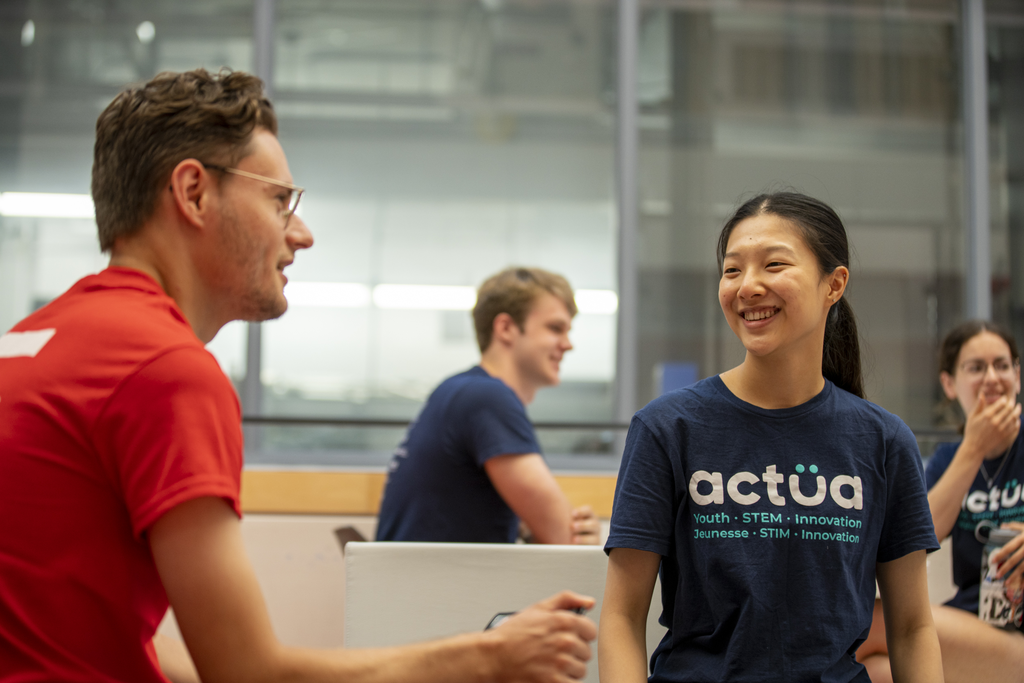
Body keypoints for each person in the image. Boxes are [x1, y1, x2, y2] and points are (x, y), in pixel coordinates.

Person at [0, 68, 596, 683]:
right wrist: (490, 656)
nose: (302, 234)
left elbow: (128, 638)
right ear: (194, 193)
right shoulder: (165, 371)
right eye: (279, 200)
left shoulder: (30, 341)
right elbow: (246, 671)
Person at [598, 192, 942, 682]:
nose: (748, 287)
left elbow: (911, 628)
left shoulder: (883, 441)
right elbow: (620, 619)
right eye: (733, 270)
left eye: (774, 264)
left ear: (834, 284)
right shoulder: (667, 428)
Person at [376, 267, 600, 545]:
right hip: (438, 586)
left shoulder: (458, 390)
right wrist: (582, 535)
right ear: (505, 328)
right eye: (555, 328)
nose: (568, 345)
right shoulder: (487, 398)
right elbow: (567, 541)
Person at [856, 320, 1024, 682]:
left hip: (1018, 635)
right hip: (973, 623)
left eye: (1003, 365)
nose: (993, 377)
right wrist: (974, 448)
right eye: (976, 368)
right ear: (949, 384)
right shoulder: (949, 459)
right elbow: (919, 536)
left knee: (873, 622)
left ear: (1018, 376)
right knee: (873, 672)